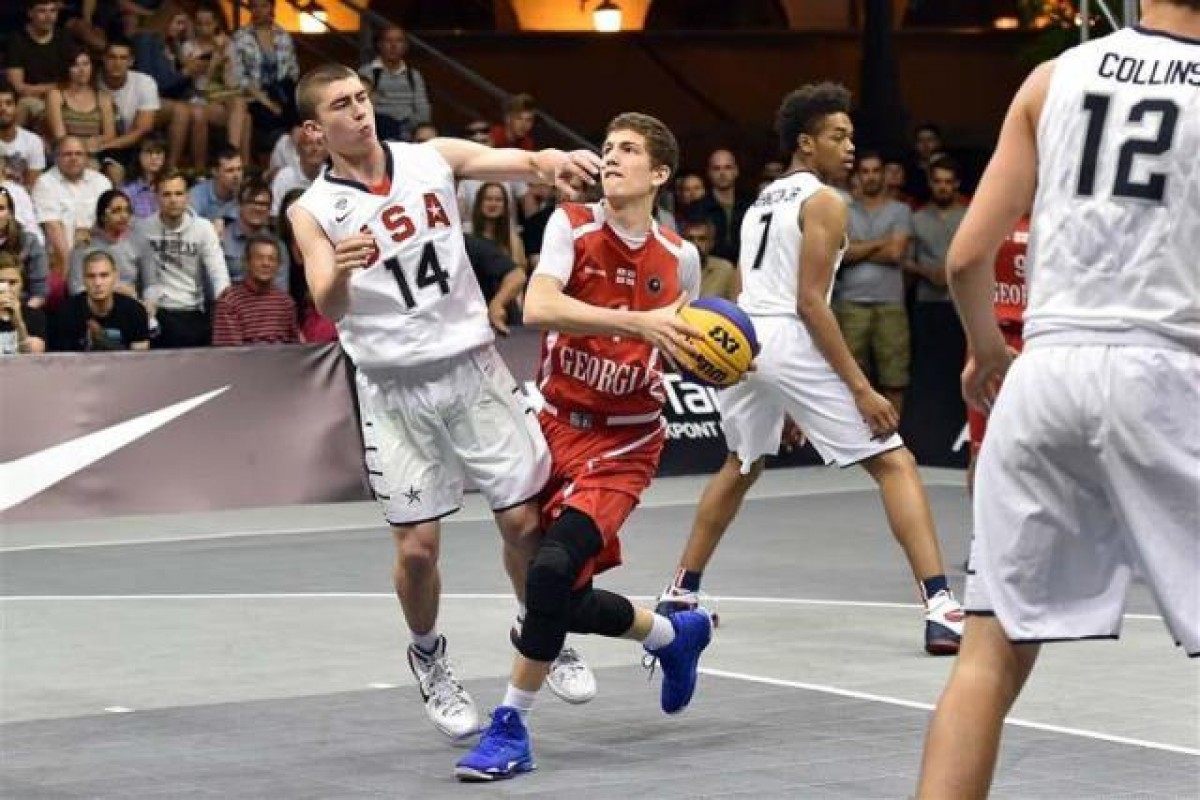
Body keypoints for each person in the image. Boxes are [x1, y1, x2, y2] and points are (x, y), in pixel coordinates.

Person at [918, 3, 1200, 796]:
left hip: (1044, 372)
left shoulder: (1052, 78)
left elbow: (966, 257)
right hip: (1166, 368)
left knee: (989, 656)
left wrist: (988, 351)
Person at [286, 63, 603, 741]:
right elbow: (327, 303)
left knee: (524, 523)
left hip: (472, 369)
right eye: (341, 105)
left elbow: (516, 161)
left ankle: (542, 627)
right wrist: (341, 270)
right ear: (315, 129)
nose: (360, 111)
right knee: (418, 552)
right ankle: (429, 657)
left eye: (362, 98)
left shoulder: (428, 158)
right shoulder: (311, 211)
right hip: (393, 390)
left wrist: (552, 160)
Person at [654, 83, 964, 656]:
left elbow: (745, 288)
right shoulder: (825, 201)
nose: (850, 147)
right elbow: (810, 303)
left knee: (740, 465)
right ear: (806, 143)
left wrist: (782, 394)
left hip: (745, 342)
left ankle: (679, 593)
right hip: (789, 337)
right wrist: (861, 388)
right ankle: (942, 610)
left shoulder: (761, 201)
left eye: (851, 136)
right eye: (838, 137)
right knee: (895, 463)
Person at [455, 112, 714, 782]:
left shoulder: (679, 258)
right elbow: (539, 307)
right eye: (607, 147)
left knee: (548, 578)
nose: (612, 157)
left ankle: (510, 727)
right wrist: (638, 323)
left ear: (660, 173)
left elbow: (685, 345)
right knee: (557, 596)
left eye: (629, 149)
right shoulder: (570, 225)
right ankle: (672, 633)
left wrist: (713, 360)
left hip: (625, 443)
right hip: (552, 426)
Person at [211, 233, 298, 346]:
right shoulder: (229, 301)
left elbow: (295, 347)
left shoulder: (286, 303)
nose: (266, 263)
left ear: (278, 265)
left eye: (271, 259)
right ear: (246, 262)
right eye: (259, 258)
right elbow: (229, 351)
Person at [54, 249, 150, 351]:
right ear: (83, 279)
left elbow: (140, 357)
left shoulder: (134, 311)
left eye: (104, 275)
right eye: (91, 276)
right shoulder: (66, 312)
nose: (98, 283)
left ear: (115, 276)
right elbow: (62, 357)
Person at [0, 253, 47, 354]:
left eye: (12, 283)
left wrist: (18, 323)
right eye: (1, 282)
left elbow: (34, 354)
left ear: (22, 285)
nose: (6, 288)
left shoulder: (35, 316)